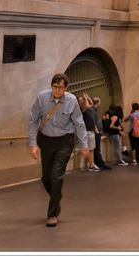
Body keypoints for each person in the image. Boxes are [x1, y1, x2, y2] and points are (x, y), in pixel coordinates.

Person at [27, 72, 91, 227]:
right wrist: (33, 143)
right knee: (46, 178)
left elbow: (79, 123)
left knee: (56, 176)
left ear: (66, 88)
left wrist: (84, 145)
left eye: (60, 87)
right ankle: (56, 198)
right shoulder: (42, 98)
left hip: (64, 141)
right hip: (46, 141)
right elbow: (33, 120)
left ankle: (52, 214)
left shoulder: (71, 101)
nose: (57, 90)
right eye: (54, 87)